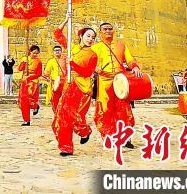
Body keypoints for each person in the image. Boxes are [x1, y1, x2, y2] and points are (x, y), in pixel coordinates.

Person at [51, 18, 98, 156]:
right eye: (88, 36)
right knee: (62, 115)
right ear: (81, 36)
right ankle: (66, 147)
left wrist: (73, 65)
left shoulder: (92, 55)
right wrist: (66, 20)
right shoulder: (73, 48)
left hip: (81, 87)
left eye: (93, 37)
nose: (90, 39)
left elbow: (88, 72)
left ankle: (84, 131)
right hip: (68, 85)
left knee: (72, 115)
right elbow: (57, 33)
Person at [92, 22, 142, 147]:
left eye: (110, 29)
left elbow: (129, 59)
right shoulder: (95, 47)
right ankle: (108, 136)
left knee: (124, 109)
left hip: (120, 80)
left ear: (113, 31)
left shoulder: (121, 45)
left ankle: (125, 137)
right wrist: (94, 68)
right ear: (100, 32)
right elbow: (89, 62)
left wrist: (134, 67)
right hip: (104, 81)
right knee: (106, 109)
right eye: (105, 29)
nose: (108, 31)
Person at [18, 45, 42, 126]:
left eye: (37, 53)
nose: (35, 55)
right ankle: (26, 120)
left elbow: (39, 74)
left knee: (30, 99)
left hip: (33, 83)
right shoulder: (25, 59)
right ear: (30, 52)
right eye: (34, 53)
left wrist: (30, 77)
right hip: (24, 82)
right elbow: (20, 69)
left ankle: (35, 106)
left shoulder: (39, 61)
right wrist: (24, 62)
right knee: (23, 101)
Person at [43, 45, 65, 113]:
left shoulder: (65, 60)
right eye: (56, 50)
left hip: (64, 82)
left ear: (61, 51)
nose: (57, 51)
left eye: (59, 50)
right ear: (53, 52)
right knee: (55, 99)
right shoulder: (51, 61)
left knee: (64, 99)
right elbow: (46, 73)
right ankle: (56, 113)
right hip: (55, 83)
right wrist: (47, 78)